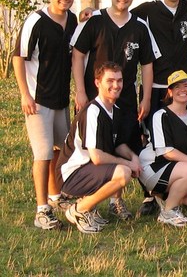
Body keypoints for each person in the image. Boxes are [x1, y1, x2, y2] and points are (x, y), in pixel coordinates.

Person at [71, 0, 160, 220]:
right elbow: (78, 55)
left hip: (126, 96)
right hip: (95, 95)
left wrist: (146, 98)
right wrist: (80, 91)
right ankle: (87, 199)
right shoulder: (94, 21)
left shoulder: (140, 26)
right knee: (94, 148)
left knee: (121, 144)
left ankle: (116, 200)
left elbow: (148, 64)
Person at [130, 0, 187, 216]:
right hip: (156, 85)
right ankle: (150, 194)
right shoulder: (148, 10)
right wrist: (89, 13)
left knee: (177, 138)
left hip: (180, 87)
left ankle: (177, 188)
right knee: (149, 140)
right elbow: (118, 14)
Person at [13, 0, 78, 230]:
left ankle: (55, 195)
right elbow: (18, 57)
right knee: (41, 154)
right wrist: (24, 94)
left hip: (60, 98)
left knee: (60, 151)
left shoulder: (71, 20)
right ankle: (42, 211)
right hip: (38, 100)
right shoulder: (36, 21)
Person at [56, 62, 142, 233]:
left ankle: (88, 208)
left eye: (119, 80)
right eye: (110, 81)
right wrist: (127, 165)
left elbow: (118, 146)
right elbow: (97, 157)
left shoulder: (114, 110)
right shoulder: (93, 111)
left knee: (126, 165)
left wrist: (134, 158)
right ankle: (79, 210)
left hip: (88, 169)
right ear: (97, 83)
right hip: (71, 174)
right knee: (123, 173)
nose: (116, 85)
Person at [138, 70, 187, 226]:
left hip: (179, 169)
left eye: (185, 85)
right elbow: (167, 152)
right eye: (176, 87)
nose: (182, 90)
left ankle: (165, 197)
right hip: (153, 167)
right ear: (170, 92)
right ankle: (168, 212)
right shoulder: (161, 115)